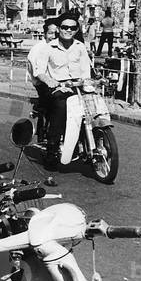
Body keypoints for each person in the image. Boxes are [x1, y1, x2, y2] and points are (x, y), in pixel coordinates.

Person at [28, 13, 93, 170]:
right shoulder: (48, 48)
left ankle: (87, 141)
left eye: (72, 28)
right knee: (61, 107)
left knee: (92, 105)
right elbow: (39, 71)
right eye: (65, 27)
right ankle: (52, 148)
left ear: (77, 29)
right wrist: (51, 82)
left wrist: (88, 82)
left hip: (77, 86)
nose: (68, 30)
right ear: (59, 29)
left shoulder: (80, 47)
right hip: (57, 87)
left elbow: (86, 70)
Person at [26, 17, 60, 143]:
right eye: (51, 33)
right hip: (42, 84)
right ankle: (45, 137)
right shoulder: (38, 49)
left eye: (56, 33)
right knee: (52, 106)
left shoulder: (59, 47)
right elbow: (35, 71)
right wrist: (45, 81)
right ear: (45, 33)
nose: (53, 36)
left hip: (58, 82)